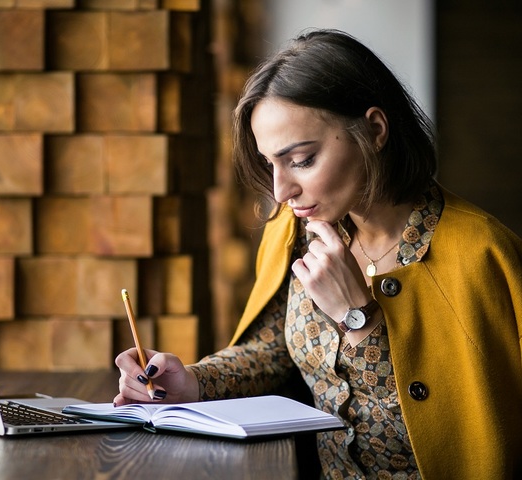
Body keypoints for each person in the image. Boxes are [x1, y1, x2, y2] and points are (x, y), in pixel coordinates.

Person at [113, 29, 522, 479]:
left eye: (302, 160)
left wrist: (358, 319)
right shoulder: (293, 231)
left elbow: (451, 436)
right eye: (270, 162)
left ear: (375, 129)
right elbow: (273, 353)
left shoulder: (483, 257)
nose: (281, 190)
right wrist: (193, 381)